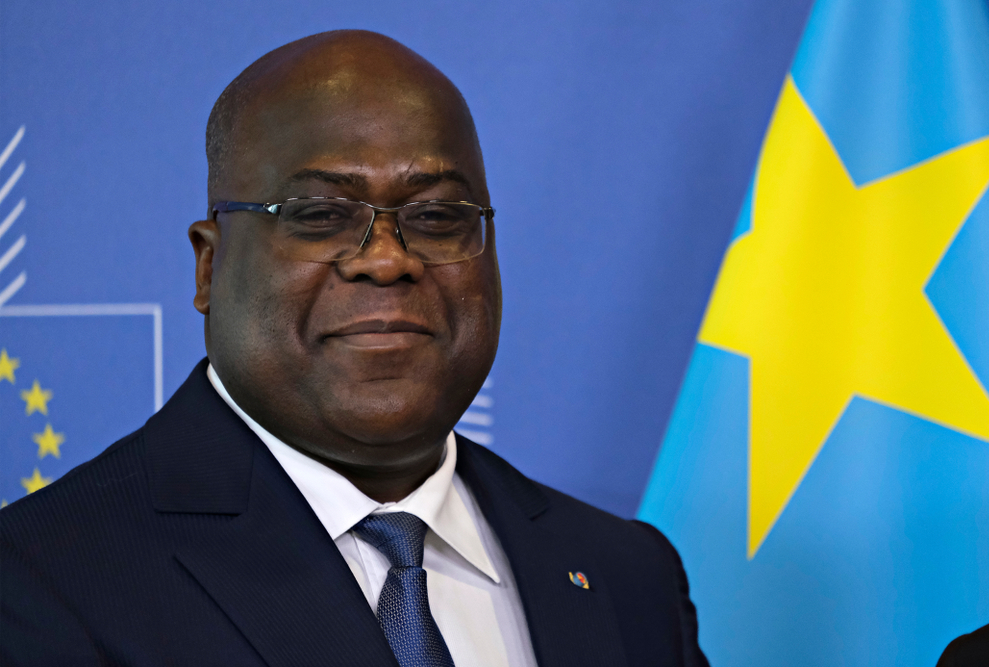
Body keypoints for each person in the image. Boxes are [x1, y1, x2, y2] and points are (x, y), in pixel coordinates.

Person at [0, 31, 708, 667]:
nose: (387, 260)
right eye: (320, 216)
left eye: (435, 216)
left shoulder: (625, 575)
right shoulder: (42, 581)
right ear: (209, 267)